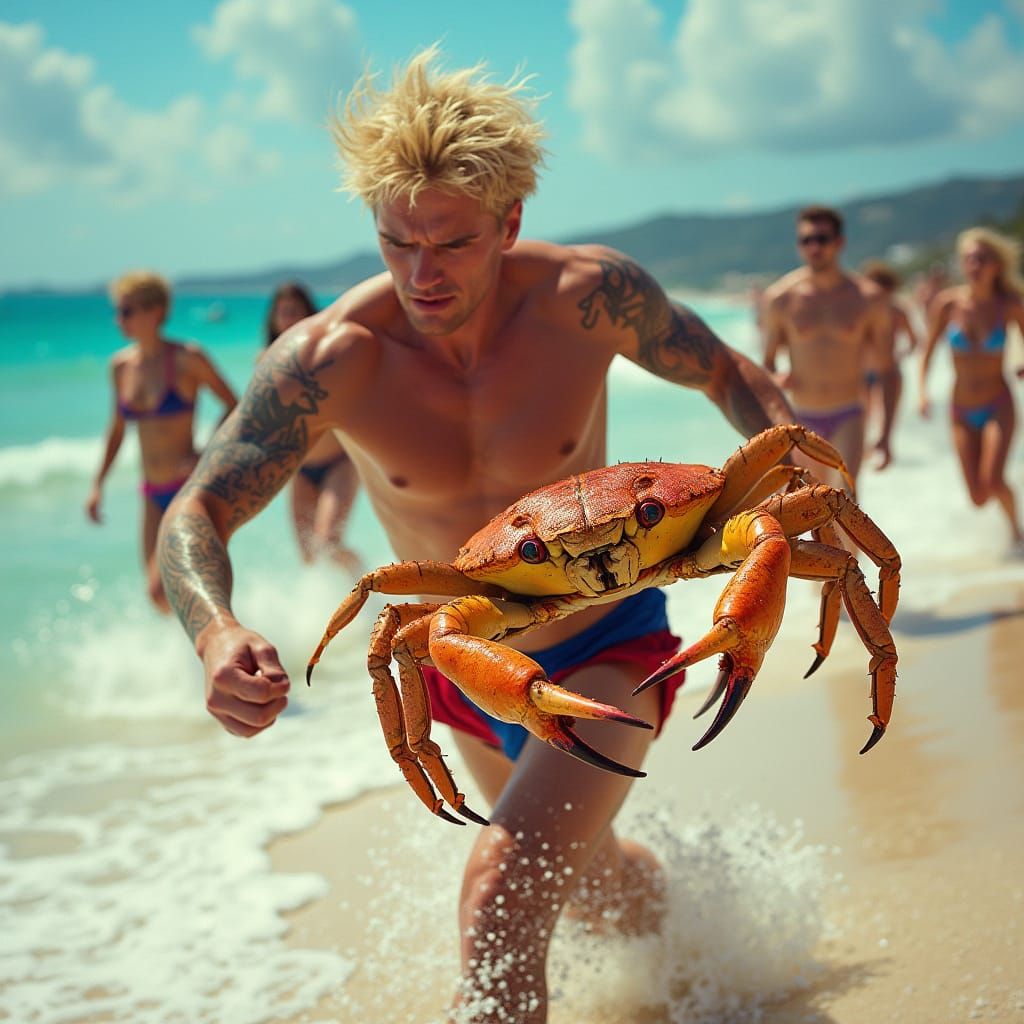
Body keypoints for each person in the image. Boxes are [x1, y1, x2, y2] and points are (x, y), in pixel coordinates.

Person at [157, 50, 805, 1023]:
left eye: (452, 243)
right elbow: (197, 507)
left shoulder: (590, 296)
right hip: (459, 665)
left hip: (606, 644)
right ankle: (712, 976)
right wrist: (213, 629)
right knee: (588, 877)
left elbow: (725, 371)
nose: (421, 273)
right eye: (394, 242)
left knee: (500, 902)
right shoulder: (329, 362)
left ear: (510, 219)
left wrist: (803, 462)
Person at [86, 271, 237, 612]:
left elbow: (233, 404)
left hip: (188, 489)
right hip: (152, 494)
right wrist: (98, 484)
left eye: (127, 311)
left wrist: (204, 452)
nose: (119, 319)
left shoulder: (187, 358)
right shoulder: (121, 366)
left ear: (155, 312)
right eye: (118, 311)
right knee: (160, 597)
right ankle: (191, 660)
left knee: (170, 587)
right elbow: (117, 429)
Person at [761, 206, 889, 491]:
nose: (813, 247)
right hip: (802, 419)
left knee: (847, 503)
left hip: (849, 413)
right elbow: (767, 365)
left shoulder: (868, 298)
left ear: (839, 242)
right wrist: (777, 379)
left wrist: (886, 433)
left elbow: (888, 370)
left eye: (821, 239)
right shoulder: (780, 299)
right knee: (813, 505)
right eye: (806, 240)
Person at [918, 227, 1024, 547]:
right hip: (961, 410)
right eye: (969, 259)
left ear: (996, 265)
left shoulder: (1009, 304)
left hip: (998, 403)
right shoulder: (948, 304)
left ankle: (1016, 533)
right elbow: (927, 350)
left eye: (982, 259)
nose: (975, 265)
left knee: (992, 480)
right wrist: (922, 391)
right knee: (978, 497)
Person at [264, 282, 362, 575]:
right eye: (283, 313)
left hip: (338, 464)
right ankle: (327, 612)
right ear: (274, 319)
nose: (288, 319)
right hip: (300, 470)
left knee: (327, 541)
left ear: (310, 314)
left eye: (295, 311)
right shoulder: (266, 364)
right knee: (308, 555)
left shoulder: (326, 358)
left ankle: (368, 580)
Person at [860, 261, 920, 470]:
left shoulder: (897, 311)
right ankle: (864, 455)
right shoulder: (861, 311)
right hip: (862, 372)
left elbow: (914, 339)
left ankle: (884, 450)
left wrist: (900, 355)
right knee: (863, 419)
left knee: (886, 422)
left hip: (888, 371)